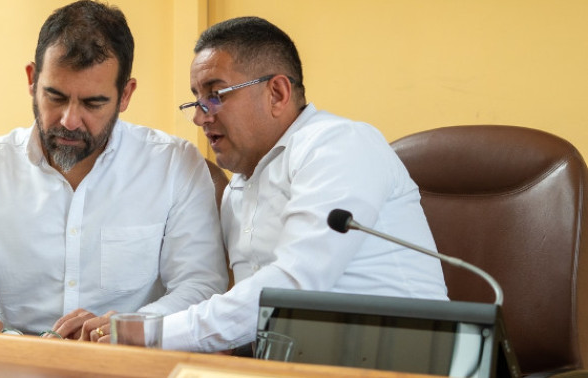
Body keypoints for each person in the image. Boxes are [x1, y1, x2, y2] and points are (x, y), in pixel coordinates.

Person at [110, 16, 448, 352]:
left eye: (214, 95)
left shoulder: (338, 144)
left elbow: (295, 286)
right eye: (196, 100)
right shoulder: (237, 192)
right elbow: (247, 316)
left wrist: (155, 333)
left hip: (402, 360)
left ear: (277, 92)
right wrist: (136, 324)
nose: (201, 116)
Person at [0, 0, 228, 338]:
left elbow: (201, 288)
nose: (69, 120)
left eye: (93, 103)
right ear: (32, 81)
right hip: (16, 364)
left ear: (125, 95)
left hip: (127, 364)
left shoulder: (174, 167)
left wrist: (127, 328)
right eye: (55, 97)